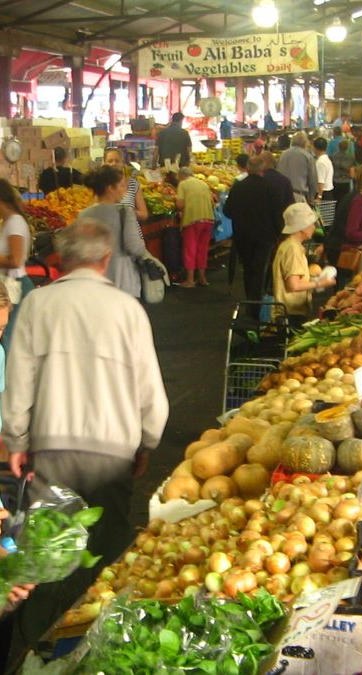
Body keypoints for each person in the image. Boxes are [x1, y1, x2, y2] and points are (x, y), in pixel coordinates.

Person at [2, 218, 168, 658]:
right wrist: (147, 443)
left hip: (52, 450)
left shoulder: (38, 305)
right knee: (107, 551)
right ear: (106, 260)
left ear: (61, 260)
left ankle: (34, 648)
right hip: (113, 451)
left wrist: (16, 441)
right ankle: (98, 650)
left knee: (50, 555)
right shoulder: (127, 310)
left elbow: (19, 383)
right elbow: (152, 393)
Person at [79, 166, 148, 298]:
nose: (125, 190)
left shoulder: (83, 215)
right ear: (110, 188)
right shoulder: (125, 212)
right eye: (122, 186)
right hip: (122, 280)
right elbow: (134, 247)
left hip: (94, 282)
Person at [225, 155, 282, 311]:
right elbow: (277, 213)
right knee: (259, 267)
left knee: (248, 267)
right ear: (263, 169)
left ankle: (250, 298)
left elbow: (227, 211)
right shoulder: (270, 188)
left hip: (243, 234)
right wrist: (279, 232)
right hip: (265, 235)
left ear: (248, 168)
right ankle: (255, 302)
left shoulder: (238, 187)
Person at [272, 203, 335, 325]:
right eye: (311, 224)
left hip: (289, 311)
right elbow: (293, 285)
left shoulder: (289, 245)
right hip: (290, 313)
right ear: (302, 227)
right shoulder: (292, 249)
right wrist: (321, 283)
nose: (313, 227)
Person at [0, 180, 34, 351]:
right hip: (9, 284)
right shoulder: (7, 222)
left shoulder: (14, 222)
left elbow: (16, 260)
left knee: (8, 336)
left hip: (15, 285)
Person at [175, 167, 215, 288]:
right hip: (208, 219)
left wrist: (176, 202)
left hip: (193, 219)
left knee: (190, 250)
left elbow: (180, 204)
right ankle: (202, 278)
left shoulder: (183, 184)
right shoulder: (203, 183)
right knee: (202, 249)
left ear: (181, 176)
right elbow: (213, 201)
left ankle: (190, 280)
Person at [103, 146, 149, 223]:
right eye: (110, 161)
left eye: (117, 161)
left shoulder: (133, 184)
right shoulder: (100, 185)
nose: (114, 163)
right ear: (104, 164)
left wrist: (128, 212)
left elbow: (144, 215)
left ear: (123, 163)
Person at [277, 131, 318, 205]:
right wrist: (311, 198)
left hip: (282, 195)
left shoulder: (283, 154)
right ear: (305, 143)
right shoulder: (307, 156)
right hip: (298, 196)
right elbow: (312, 180)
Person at [259, 151, 295, 236]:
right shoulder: (285, 180)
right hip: (280, 225)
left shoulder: (258, 180)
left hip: (261, 226)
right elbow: (290, 205)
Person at [331, 139, 356, 205]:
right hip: (346, 181)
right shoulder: (350, 157)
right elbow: (352, 172)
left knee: (336, 199)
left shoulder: (334, 156)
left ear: (339, 146)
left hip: (335, 180)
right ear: (347, 147)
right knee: (345, 200)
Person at [313, 137, 334, 202]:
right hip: (329, 192)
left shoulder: (320, 162)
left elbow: (321, 181)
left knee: (320, 212)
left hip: (323, 194)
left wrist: (319, 197)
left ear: (315, 148)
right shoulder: (327, 159)